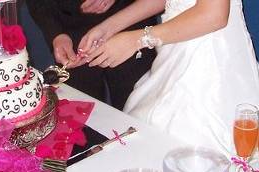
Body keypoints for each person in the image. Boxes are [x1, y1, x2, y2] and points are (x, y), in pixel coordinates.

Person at [78, 0, 259, 172]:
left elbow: (214, 14)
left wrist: (137, 40)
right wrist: (109, 27)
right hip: (177, 52)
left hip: (212, 63)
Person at [25, 0, 159, 110]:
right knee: (81, 119)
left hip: (132, 22)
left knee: (135, 108)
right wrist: (55, 33)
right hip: (70, 28)